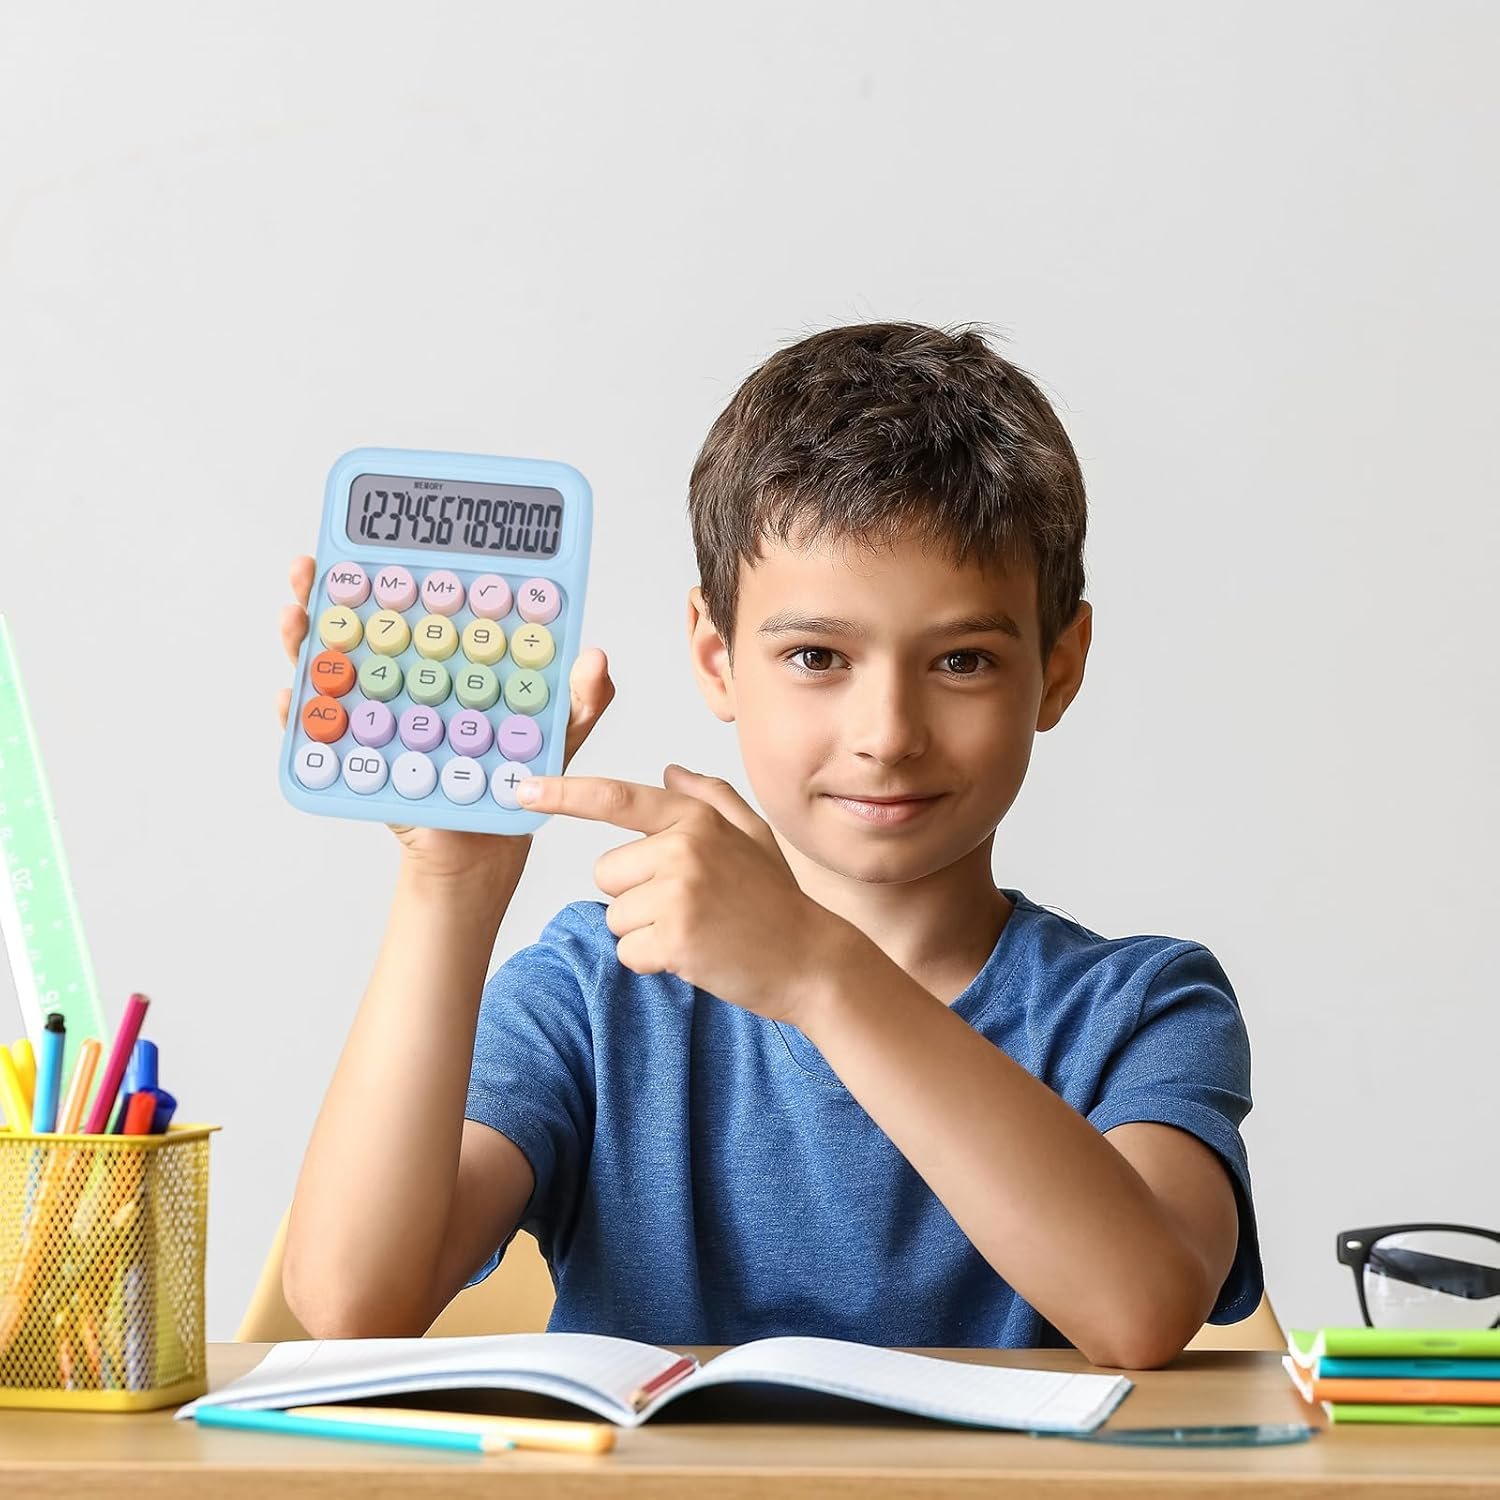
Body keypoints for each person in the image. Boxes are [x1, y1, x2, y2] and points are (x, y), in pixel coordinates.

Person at [276, 322, 1263, 1368]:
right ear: (716, 656)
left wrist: (818, 972)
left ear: (1059, 668)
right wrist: (449, 888)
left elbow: (1143, 1307)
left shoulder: (1144, 1008)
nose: (887, 733)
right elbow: (350, 1302)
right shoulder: (597, 992)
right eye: (817, 655)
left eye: (963, 659)